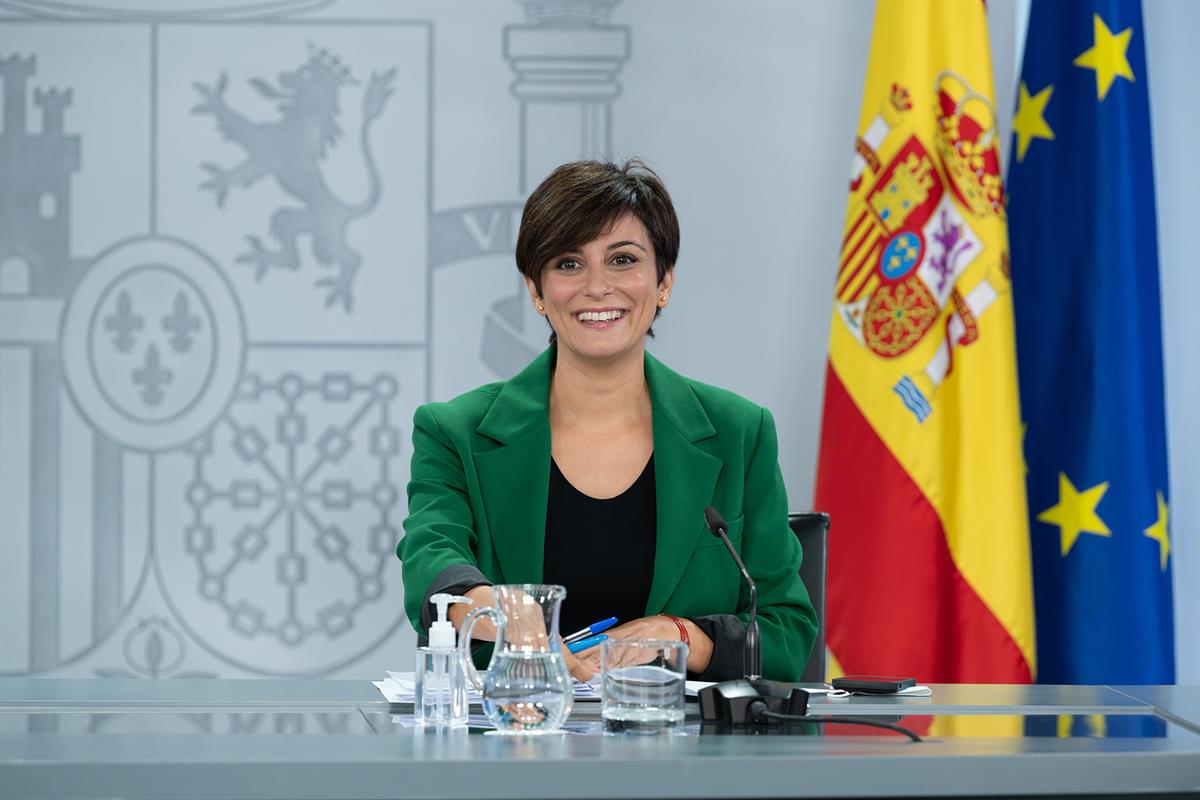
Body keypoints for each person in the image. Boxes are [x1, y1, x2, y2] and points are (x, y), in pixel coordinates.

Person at [398, 160, 817, 682]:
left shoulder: (739, 432)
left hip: (688, 752)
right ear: (535, 289)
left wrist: (677, 636)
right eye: (568, 264)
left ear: (663, 282)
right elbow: (430, 560)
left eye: (622, 260)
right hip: (512, 740)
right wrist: (505, 613)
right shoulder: (454, 431)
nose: (597, 287)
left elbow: (786, 633)